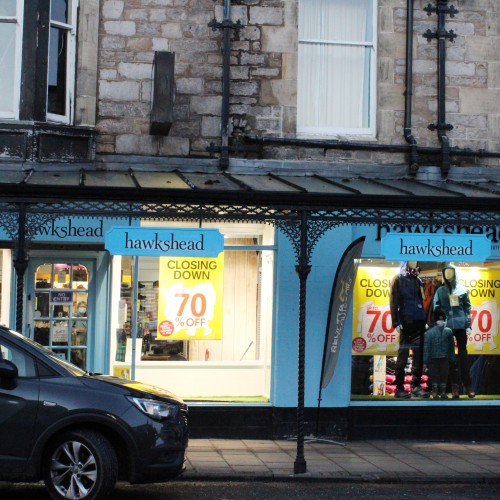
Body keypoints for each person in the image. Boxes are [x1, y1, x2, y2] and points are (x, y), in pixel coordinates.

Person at [433, 264, 475, 398]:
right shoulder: (440, 291)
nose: (448, 274)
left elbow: (467, 309)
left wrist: (468, 325)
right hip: (447, 327)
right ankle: (455, 387)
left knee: (463, 356)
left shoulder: (463, 290)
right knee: (450, 358)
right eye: (446, 272)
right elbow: (436, 308)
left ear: (455, 273)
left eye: (451, 272)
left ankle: (468, 386)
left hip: (460, 325)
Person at [390, 261, 429, 398]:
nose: (414, 263)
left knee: (418, 355)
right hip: (406, 321)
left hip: (418, 321)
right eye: (411, 260)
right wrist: (396, 321)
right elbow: (394, 301)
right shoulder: (398, 279)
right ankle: (399, 387)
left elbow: (420, 300)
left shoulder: (417, 280)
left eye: (416, 260)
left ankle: (416, 386)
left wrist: (423, 319)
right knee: (403, 356)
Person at [424, 308, 455, 399]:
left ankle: (442, 392)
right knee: (436, 374)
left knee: (443, 374)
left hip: (443, 357)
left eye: (442, 319)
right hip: (435, 358)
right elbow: (427, 348)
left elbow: (451, 347)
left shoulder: (448, 332)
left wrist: (452, 358)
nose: (440, 321)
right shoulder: (430, 333)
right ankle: (436, 391)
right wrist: (425, 361)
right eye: (439, 319)